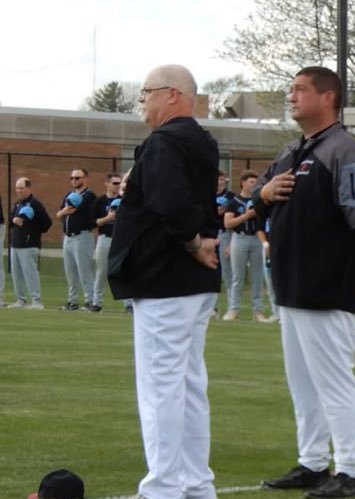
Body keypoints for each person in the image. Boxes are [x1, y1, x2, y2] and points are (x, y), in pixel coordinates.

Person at [254, 66, 355, 499]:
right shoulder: (292, 152)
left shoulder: (343, 150)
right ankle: (313, 462)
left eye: (300, 89)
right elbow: (256, 204)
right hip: (291, 284)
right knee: (303, 382)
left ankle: (351, 471)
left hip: (327, 284)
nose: (291, 96)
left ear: (328, 97)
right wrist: (264, 193)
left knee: (335, 380)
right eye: (290, 89)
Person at [108, 63, 223, 499]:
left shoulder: (165, 140)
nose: (142, 101)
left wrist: (192, 240)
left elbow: (169, 202)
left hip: (163, 278)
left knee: (161, 389)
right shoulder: (201, 140)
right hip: (191, 282)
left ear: (172, 95)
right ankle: (195, 484)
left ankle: (161, 489)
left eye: (147, 92)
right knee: (190, 386)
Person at [224, 172, 270, 322]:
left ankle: (258, 311)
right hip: (240, 237)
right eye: (251, 182)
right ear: (243, 183)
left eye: (256, 182)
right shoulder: (234, 201)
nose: (254, 185)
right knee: (238, 276)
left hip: (256, 238)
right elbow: (228, 223)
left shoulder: (260, 201)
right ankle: (233, 310)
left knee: (257, 277)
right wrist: (246, 216)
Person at [58, 168, 100, 311]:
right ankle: (72, 301)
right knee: (70, 272)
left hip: (82, 236)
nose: (74, 180)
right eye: (72, 178)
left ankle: (90, 301)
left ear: (85, 179)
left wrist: (75, 211)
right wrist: (64, 212)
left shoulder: (89, 196)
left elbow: (92, 217)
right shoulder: (68, 195)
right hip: (68, 237)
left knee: (84, 271)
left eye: (77, 178)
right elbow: (59, 214)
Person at [9, 178, 49, 309]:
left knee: (30, 273)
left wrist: (32, 230)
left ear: (29, 188)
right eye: (17, 188)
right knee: (17, 274)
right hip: (16, 244)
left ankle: (36, 300)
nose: (19, 191)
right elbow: (10, 221)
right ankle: (20, 299)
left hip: (29, 244)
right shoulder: (17, 204)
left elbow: (47, 223)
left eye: (21, 188)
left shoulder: (35, 204)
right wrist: (15, 221)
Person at [93, 172, 123, 311]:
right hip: (104, 239)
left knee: (124, 271)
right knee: (101, 272)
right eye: (115, 183)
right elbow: (95, 222)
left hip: (120, 239)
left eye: (119, 183)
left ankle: (128, 304)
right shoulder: (100, 201)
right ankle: (96, 303)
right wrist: (109, 218)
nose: (118, 186)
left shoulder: (125, 200)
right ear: (107, 184)